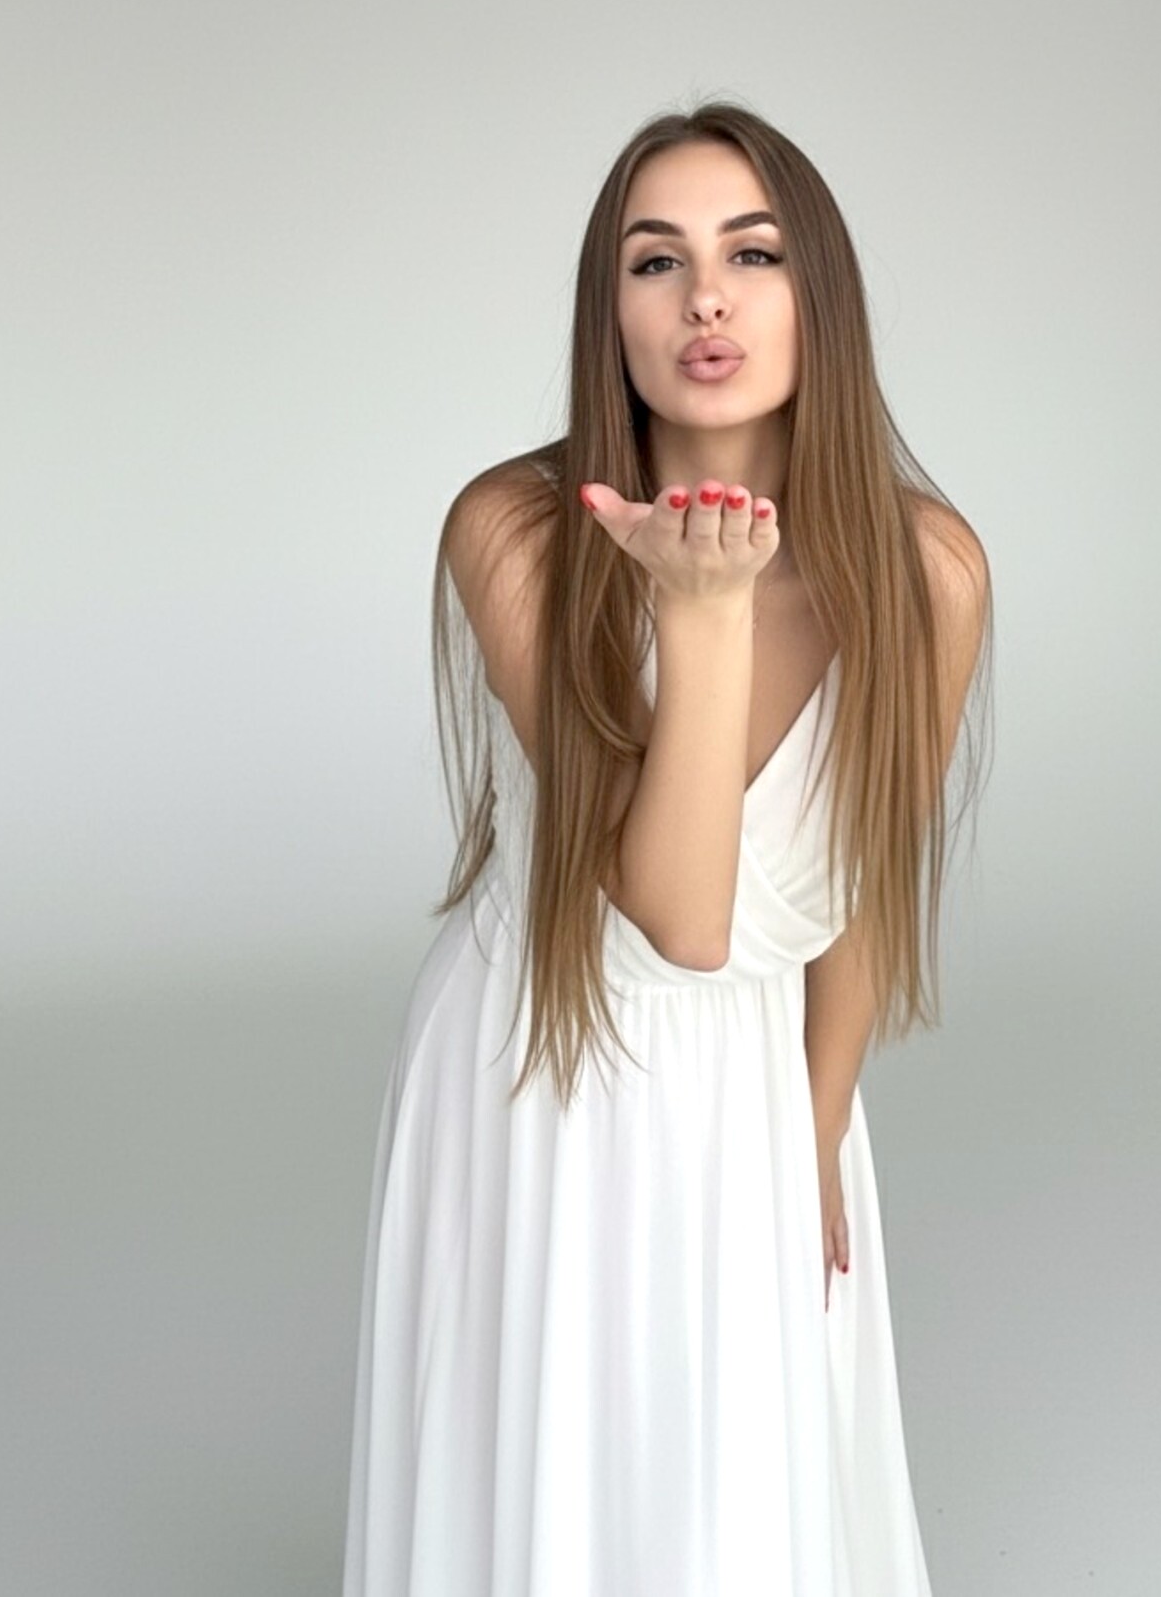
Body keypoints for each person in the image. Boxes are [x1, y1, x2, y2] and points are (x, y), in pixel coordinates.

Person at [341, 100, 993, 1596]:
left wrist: (810, 1141)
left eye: (752, 254)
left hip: (765, 1078)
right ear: (611, 315)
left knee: (739, 1493)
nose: (706, 298)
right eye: (656, 262)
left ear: (818, 295)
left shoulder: (931, 570)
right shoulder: (510, 530)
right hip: (548, 1068)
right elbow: (680, 922)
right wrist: (702, 616)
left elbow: (865, 897)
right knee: (558, 1485)